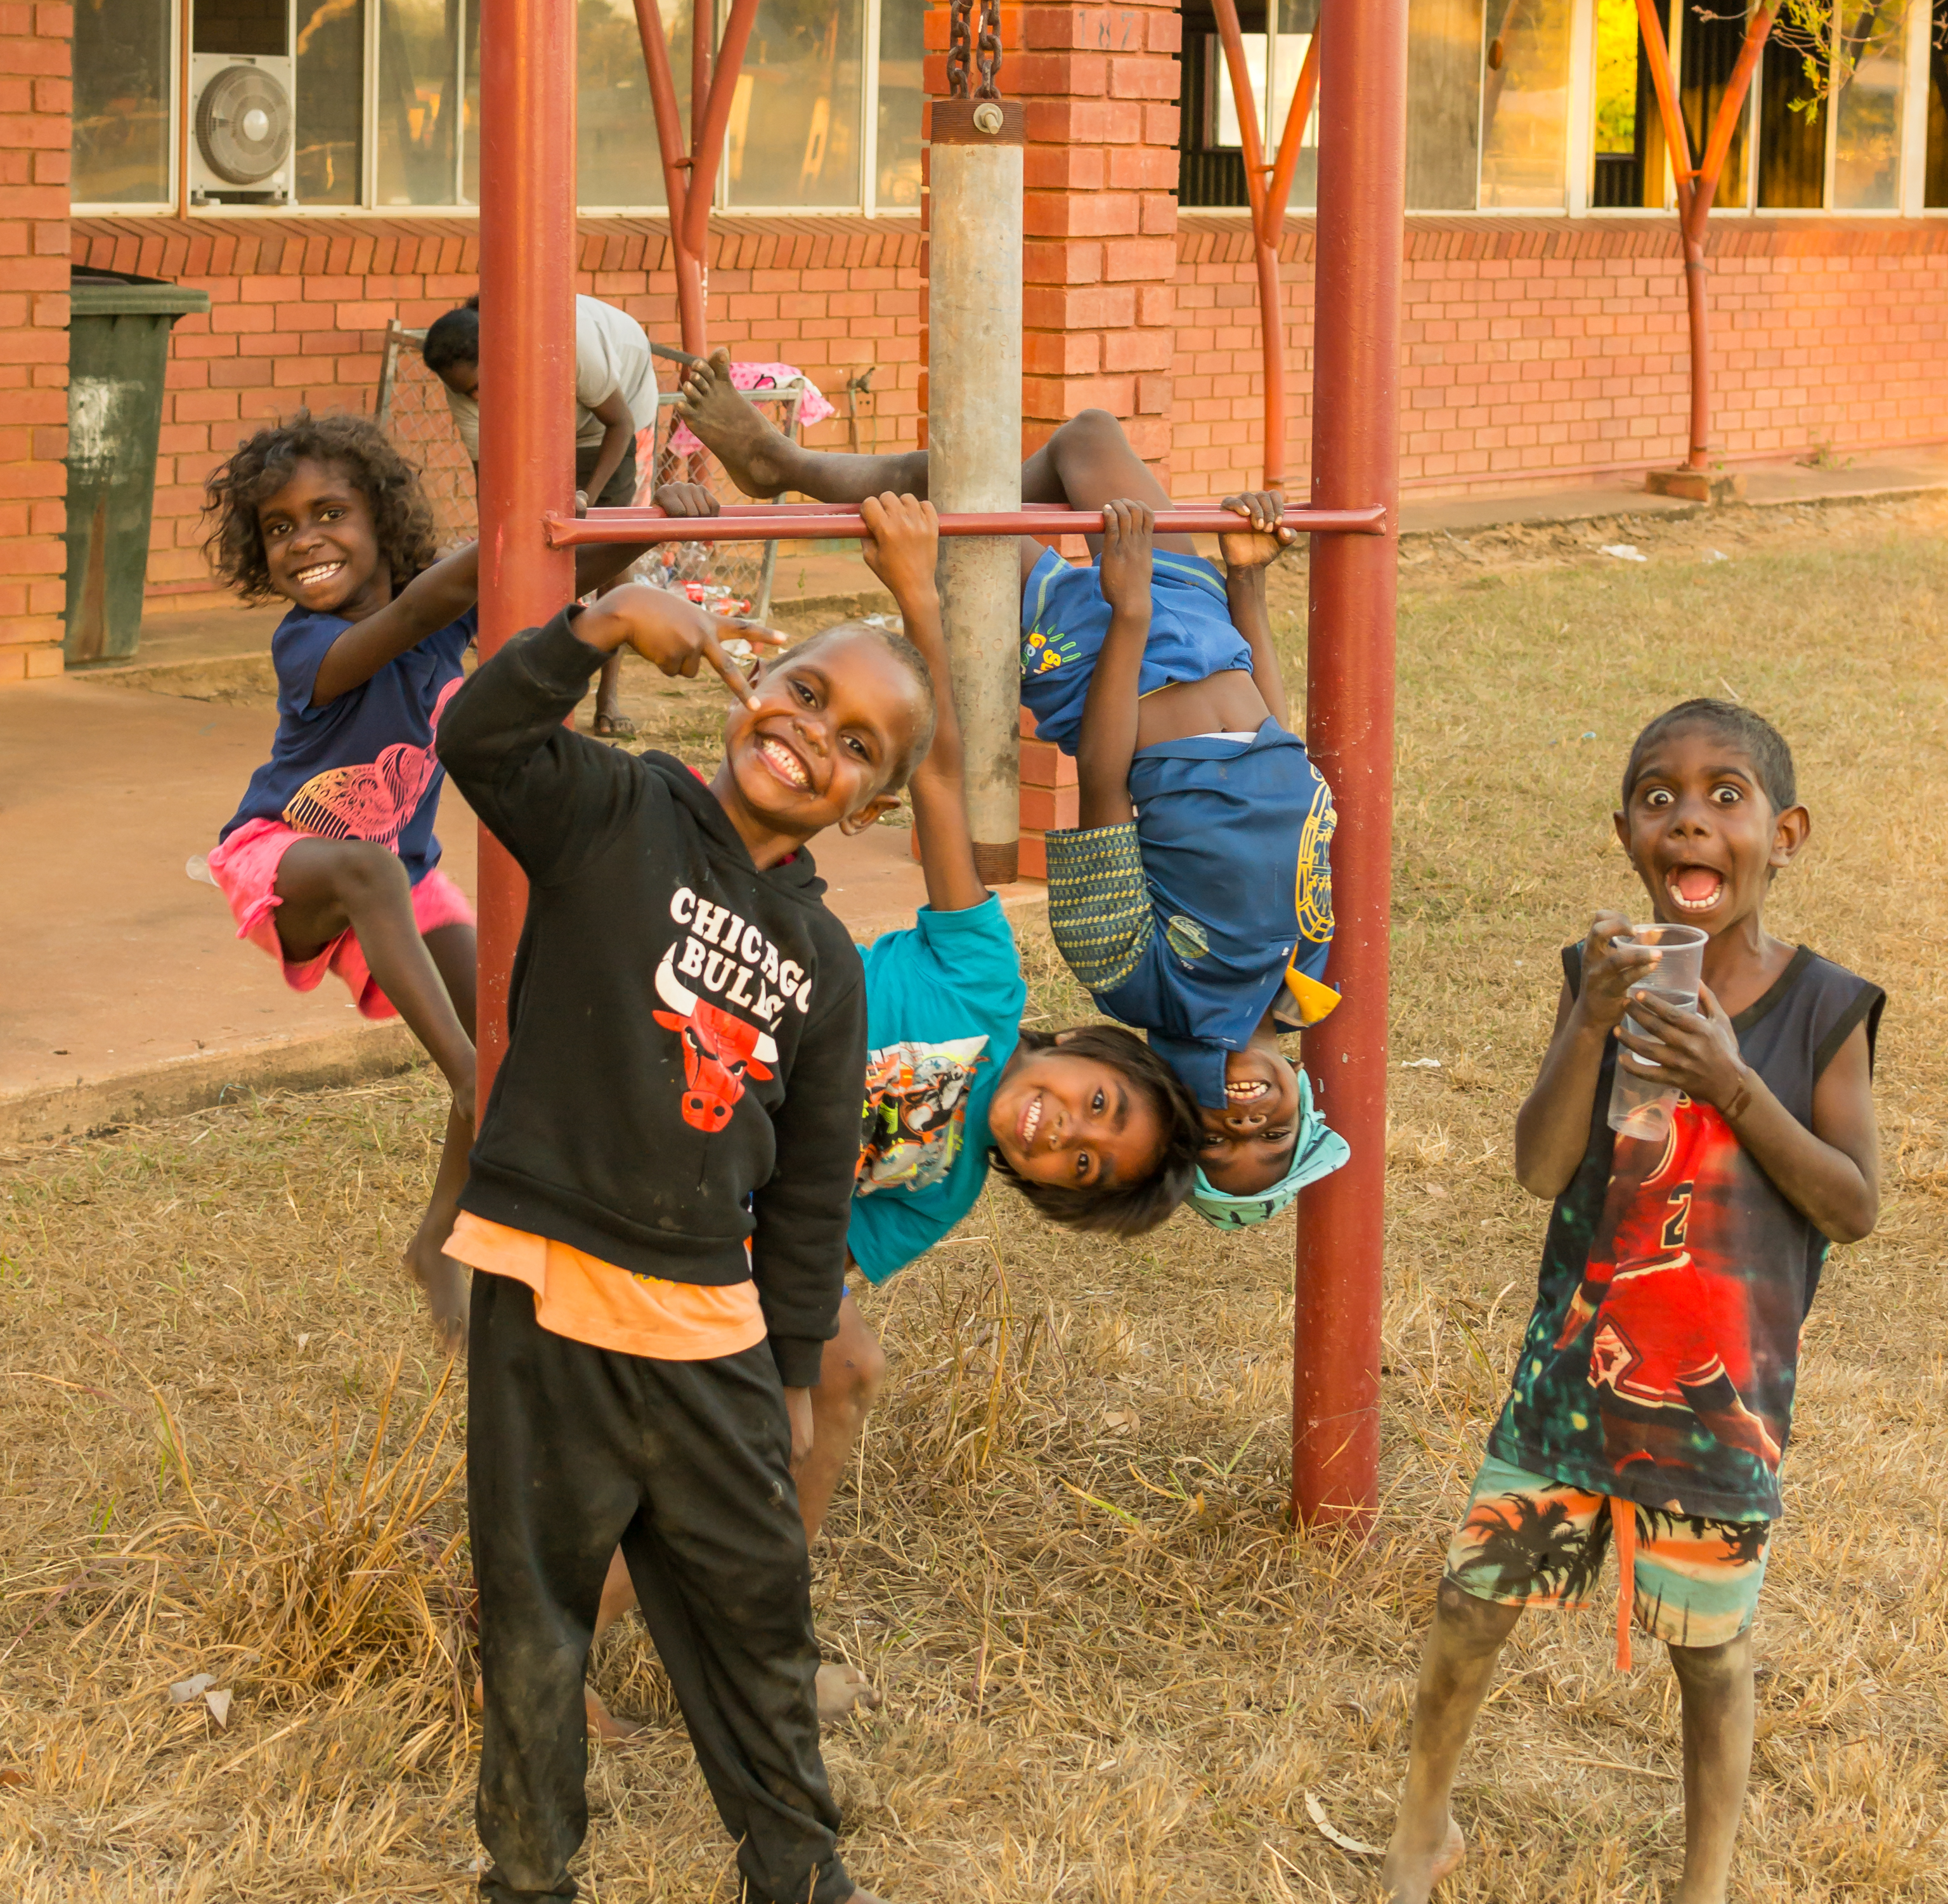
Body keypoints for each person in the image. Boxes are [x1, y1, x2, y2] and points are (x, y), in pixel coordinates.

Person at [587, 486, 1204, 1719]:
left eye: (1085, 1165)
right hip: (671, 1116)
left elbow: (830, 1261)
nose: (1065, 1134)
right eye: (1094, 1105)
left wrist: (788, 1341)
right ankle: (575, 1644)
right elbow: (941, 799)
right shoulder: (981, 980)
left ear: (1051, 1200)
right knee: (656, 1429)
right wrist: (920, 595)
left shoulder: (944, 1194)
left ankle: (750, 1635)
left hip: (732, 1251)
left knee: (812, 1384)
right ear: (1079, 1048)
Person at [435, 574, 927, 1904]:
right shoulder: (617, 806)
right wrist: (592, 629)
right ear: (752, 684)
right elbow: (476, 741)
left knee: (759, 1625)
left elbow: (815, 1189)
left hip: (713, 1337)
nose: (816, 732)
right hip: (549, 1301)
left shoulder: (826, 964)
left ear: (868, 809)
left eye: (858, 744)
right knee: (537, 1622)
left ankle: (801, 1874)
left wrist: (789, 1381)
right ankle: (529, 1878)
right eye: (808, 692)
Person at [1382, 698, 1883, 1904]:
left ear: (1786, 831)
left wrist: (1731, 1081)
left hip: (1719, 1401)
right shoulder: (1593, 977)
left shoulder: (1824, 1007)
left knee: (1707, 1657)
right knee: (1473, 1601)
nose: (1689, 817)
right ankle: (1420, 1826)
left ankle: (1699, 1884)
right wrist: (1594, 1019)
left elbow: (1852, 1204)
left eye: (1725, 795)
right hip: (1573, 1376)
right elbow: (1539, 1165)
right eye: (1658, 797)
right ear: (1624, 834)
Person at [672, 358, 1346, 1215]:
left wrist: (1128, 613)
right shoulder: (1307, 978)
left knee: (959, 496)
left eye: (1219, 1138)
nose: (1244, 1121)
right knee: (1086, 439)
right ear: (1304, 1102)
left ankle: (791, 470)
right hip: (1204, 620)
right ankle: (806, 473)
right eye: (1272, 1135)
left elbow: (1103, 778)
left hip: (1100, 654)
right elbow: (1279, 760)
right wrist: (1247, 582)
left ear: (1179, 1115)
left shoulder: (1140, 981)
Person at [198, 413, 485, 1347]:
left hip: (402, 875)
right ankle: (476, 1083)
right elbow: (411, 615)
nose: (305, 540)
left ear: (382, 521)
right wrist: (494, 547)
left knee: (508, 1012)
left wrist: (643, 517)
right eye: (280, 528)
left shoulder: (452, 612)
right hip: (286, 858)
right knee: (369, 872)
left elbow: (553, 578)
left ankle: (439, 1237)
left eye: (329, 512)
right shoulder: (305, 644)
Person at [423, 292, 660, 738]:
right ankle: (529, 689)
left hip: (613, 412)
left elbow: (620, 425)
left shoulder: (566, 345)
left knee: (612, 552)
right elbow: (490, 481)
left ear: (500, 354)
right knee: (531, 548)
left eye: (480, 385)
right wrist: (498, 550)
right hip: (540, 412)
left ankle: (608, 699)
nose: (476, 398)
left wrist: (586, 496)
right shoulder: (466, 391)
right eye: (466, 392)